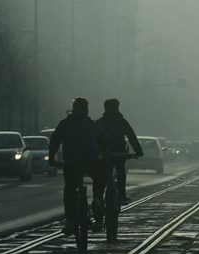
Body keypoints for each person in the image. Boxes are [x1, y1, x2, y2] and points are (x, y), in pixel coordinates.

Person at [48, 97, 108, 233]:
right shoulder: (92, 124)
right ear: (86, 110)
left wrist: (52, 158)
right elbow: (104, 139)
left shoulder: (64, 124)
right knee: (99, 178)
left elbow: (54, 141)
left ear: (73, 109)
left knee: (69, 189)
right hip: (91, 160)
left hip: (71, 162)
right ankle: (98, 200)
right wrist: (103, 157)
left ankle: (70, 221)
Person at [96, 98, 144, 205]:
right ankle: (122, 195)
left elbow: (94, 138)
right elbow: (131, 137)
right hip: (119, 153)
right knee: (121, 171)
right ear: (117, 108)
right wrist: (139, 151)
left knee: (102, 175)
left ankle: (98, 198)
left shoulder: (100, 122)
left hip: (104, 155)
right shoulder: (122, 122)